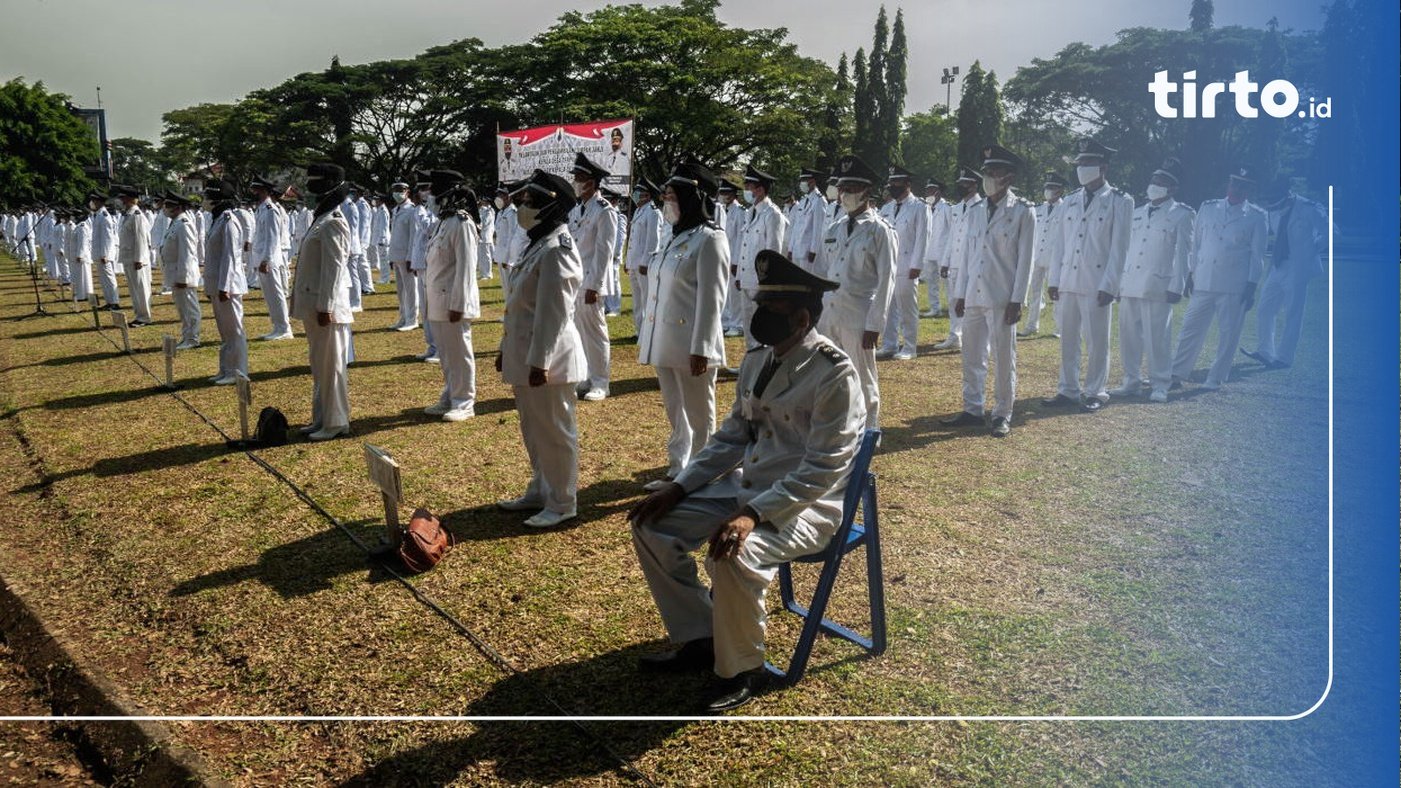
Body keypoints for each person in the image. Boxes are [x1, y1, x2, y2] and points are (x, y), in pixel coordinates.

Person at [629, 249, 865, 713]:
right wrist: (681, 485)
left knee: (734, 553)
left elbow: (825, 467)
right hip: (747, 491)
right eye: (759, 305)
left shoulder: (834, 373)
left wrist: (754, 514)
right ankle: (702, 635)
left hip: (804, 506)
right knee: (651, 525)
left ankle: (741, 668)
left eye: (771, 310)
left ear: (801, 317)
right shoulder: (759, 360)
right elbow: (732, 437)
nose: (758, 316)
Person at [496, 169, 586, 529]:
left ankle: (563, 501)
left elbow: (553, 314)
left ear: (551, 208)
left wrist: (539, 362)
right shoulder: (537, 243)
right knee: (533, 429)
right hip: (526, 354)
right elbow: (518, 307)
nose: (523, 207)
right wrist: (506, 348)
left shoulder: (557, 249)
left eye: (531, 202)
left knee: (555, 432)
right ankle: (541, 487)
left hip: (549, 361)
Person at [637, 159, 729, 492]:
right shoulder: (674, 236)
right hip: (665, 340)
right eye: (666, 196)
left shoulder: (710, 239)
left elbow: (712, 299)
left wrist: (702, 348)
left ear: (692, 198)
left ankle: (703, 475)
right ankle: (678, 469)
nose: (666, 202)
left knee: (700, 415)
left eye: (673, 196)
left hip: (691, 343)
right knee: (676, 412)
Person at [943, 144, 1036, 438]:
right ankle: (972, 408)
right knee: (972, 355)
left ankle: (1002, 413)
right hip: (974, 293)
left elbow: (1026, 260)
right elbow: (968, 256)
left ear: (1008, 177)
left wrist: (1017, 299)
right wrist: (959, 293)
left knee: (1003, 356)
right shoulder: (976, 210)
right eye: (985, 172)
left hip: (1001, 296)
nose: (987, 177)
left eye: (993, 172)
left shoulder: (1023, 211)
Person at [1044, 138, 1134, 412]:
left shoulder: (1120, 200)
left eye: (1088, 163)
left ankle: (1096, 391)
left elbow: (1120, 249)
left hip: (1097, 284)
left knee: (1097, 341)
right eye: (1080, 163)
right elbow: (1060, 245)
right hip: (1069, 280)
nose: (1081, 168)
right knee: (1068, 340)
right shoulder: (1070, 201)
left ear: (1103, 167)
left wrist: (1110, 285)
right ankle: (1068, 390)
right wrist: (1054, 279)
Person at [1170, 165, 1266, 391]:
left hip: (1234, 285)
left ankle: (1215, 378)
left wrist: (1251, 285)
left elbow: (1257, 255)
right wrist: (1191, 273)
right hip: (1204, 280)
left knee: (1228, 334)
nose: (1237, 189)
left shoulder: (1256, 216)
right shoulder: (1209, 207)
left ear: (1249, 190)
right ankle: (1176, 372)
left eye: (1243, 186)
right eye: (1235, 183)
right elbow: (1197, 244)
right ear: (1228, 184)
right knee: (1190, 328)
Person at [819, 154, 897, 427]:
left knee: (863, 377)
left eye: (851, 188)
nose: (844, 194)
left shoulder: (880, 230)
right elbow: (824, 272)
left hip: (859, 313)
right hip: (830, 312)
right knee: (829, 373)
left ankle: (869, 431)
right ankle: (839, 423)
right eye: (842, 188)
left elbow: (887, 280)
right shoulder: (834, 228)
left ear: (866, 191)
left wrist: (875, 324)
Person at [1113, 158, 1193, 402]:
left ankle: (1160, 383)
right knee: (1128, 337)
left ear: (1173, 188)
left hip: (1158, 285)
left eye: (1163, 181)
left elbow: (1184, 253)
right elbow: (1126, 250)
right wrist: (1118, 283)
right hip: (1131, 283)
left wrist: (1177, 286)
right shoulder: (1137, 213)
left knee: (1157, 338)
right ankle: (1131, 381)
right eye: (1155, 179)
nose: (1155, 184)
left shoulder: (1182, 214)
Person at [292, 163, 354, 441]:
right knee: (320, 367)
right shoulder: (322, 219)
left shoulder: (335, 222)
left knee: (332, 369)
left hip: (326, 309)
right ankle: (321, 418)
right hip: (314, 304)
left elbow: (335, 269)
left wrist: (326, 307)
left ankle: (335, 422)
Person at [1242, 176, 1329, 370]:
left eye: (1275, 197)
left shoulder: (1308, 208)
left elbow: (1332, 232)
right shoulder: (1273, 207)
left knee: (1293, 313)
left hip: (1297, 268)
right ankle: (1265, 351)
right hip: (1278, 264)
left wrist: (1311, 250)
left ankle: (1284, 358)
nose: (1271, 202)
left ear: (1287, 194)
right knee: (1265, 308)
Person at [422, 170, 481, 423]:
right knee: (446, 353)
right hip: (437, 299)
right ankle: (450, 394)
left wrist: (459, 305)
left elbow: (466, 267)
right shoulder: (444, 222)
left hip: (453, 302)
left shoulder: (462, 222)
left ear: (447, 194)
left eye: (432, 191)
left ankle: (464, 401)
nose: (428, 196)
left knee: (459, 352)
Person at [568, 152, 618, 401]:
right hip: (575, 281)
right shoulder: (578, 209)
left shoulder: (604, 210)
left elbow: (604, 252)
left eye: (580, 177)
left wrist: (595, 286)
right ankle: (587, 376)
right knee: (579, 332)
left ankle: (601, 381)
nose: (576, 181)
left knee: (596, 333)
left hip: (591, 282)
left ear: (592, 181)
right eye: (576, 176)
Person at [876, 165, 928, 361]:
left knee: (907, 307)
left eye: (896, 182)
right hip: (888, 264)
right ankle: (889, 344)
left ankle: (910, 346)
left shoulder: (920, 207)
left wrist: (917, 265)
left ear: (907, 183)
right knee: (888, 307)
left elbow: (923, 237)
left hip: (908, 264)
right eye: (891, 182)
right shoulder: (887, 208)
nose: (892, 185)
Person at [736, 165, 789, 350]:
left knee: (762, 324)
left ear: (759, 189)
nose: (746, 190)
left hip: (761, 282)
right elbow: (745, 246)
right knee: (748, 322)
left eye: (749, 186)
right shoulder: (750, 212)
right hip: (747, 278)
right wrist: (739, 276)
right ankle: (752, 359)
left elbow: (773, 252)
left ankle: (763, 361)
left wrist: (768, 284)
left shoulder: (773, 215)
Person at [202, 180, 249, 385]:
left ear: (216, 199)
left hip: (227, 286)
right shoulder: (218, 219)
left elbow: (231, 256)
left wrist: (224, 286)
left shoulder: (229, 220)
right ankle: (226, 369)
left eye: (207, 197)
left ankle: (238, 371)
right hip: (217, 284)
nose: (204, 201)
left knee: (234, 331)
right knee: (225, 332)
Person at [936, 167, 984, 350]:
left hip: (971, 264)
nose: (961, 186)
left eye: (965, 183)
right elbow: (951, 235)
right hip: (955, 262)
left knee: (970, 302)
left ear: (974, 185)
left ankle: (968, 337)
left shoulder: (982, 207)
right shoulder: (955, 209)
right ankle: (954, 335)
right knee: (953, 301)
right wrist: (945, 261)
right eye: (960, 183)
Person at [1019, 172, 1069, 337]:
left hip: (1055, 258)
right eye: (1047, 187)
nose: (1048, 190)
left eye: (1052, 188)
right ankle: (1032, 324)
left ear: (1060, 190)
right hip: (1037, 256)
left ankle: (1060, 327)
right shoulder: (1038, 208)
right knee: (1035, 292)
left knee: (1056, 294)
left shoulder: (1066, 208)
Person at [249, 175, 294, 341]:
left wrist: (266, 260)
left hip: (269, 260)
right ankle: (277, 327)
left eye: (257, 189)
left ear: (264, 191)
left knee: (276, 294)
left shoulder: (271, 210)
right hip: (261, 258)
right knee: (269, 296)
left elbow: (272, 238)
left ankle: (284, 328)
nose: (254, 192)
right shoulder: (261, 209)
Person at [158, 192, 202, 349]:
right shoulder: (176, 223)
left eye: (168, 205)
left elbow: (188, 253)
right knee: (182, 308)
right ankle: (186, 336)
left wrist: (184, 278)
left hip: (183, 274)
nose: (165, 209)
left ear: (177, 207)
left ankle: (193, 338)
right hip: (174, 272)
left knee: (189, 308)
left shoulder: (184, 224)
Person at [626, 177, 663, 335]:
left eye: (638, 192)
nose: (635, 195)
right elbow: (633, 239)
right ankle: (639, 330)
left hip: (643, 264)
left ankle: (649, 332)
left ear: (647, 196)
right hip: (634, 263)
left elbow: (653, 239)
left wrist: (646, 262)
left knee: (647, 298)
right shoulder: (638, 210)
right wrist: (627, 262)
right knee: (637, 300)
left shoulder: (653, 213)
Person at [114, 184, 154, 326]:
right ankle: (139, 315)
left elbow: (141, 238)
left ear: (129, 198)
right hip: (128, 257)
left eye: (122, 197)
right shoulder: (128, 214)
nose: (120, 200)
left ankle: (145, 317)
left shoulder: (136, 215)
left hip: (136, 259)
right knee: (134, 289)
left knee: (141, 289)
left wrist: (139, 259)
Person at [386, 181, 420, 331]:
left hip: (407, 256)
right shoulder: (396, 210)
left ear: (407, 191)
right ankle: (403, 317)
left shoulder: (412, 210)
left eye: (400, 190)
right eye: (395, 190)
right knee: (401, 290)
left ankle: (412, 319)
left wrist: (411, 257)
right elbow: (394, 235)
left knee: (411, 289)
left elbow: (414, 236)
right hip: (396, 254)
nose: (397, 193)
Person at [920, 178, 952, 318]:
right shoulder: (926, 208)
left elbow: (952, 230)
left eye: (930, 190)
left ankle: (952, 307)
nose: (928, 193)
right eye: (927, 190)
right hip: (929, 250)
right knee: (931, 282)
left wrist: (950, 253)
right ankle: (935, 308)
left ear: (938, 192)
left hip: (942, 251)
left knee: (947, 282)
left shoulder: (947, 208)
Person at [370, 192, 391, 285]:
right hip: (380, 239)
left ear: (380, 201)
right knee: (382, 259)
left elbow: (384, 226)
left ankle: (385, 279)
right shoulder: (379, 210)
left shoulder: (383, 210)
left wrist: (382, 239)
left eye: (376, 199)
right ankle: (383, 277)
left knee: (384, 260)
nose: (374, 201)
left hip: (383, 240)